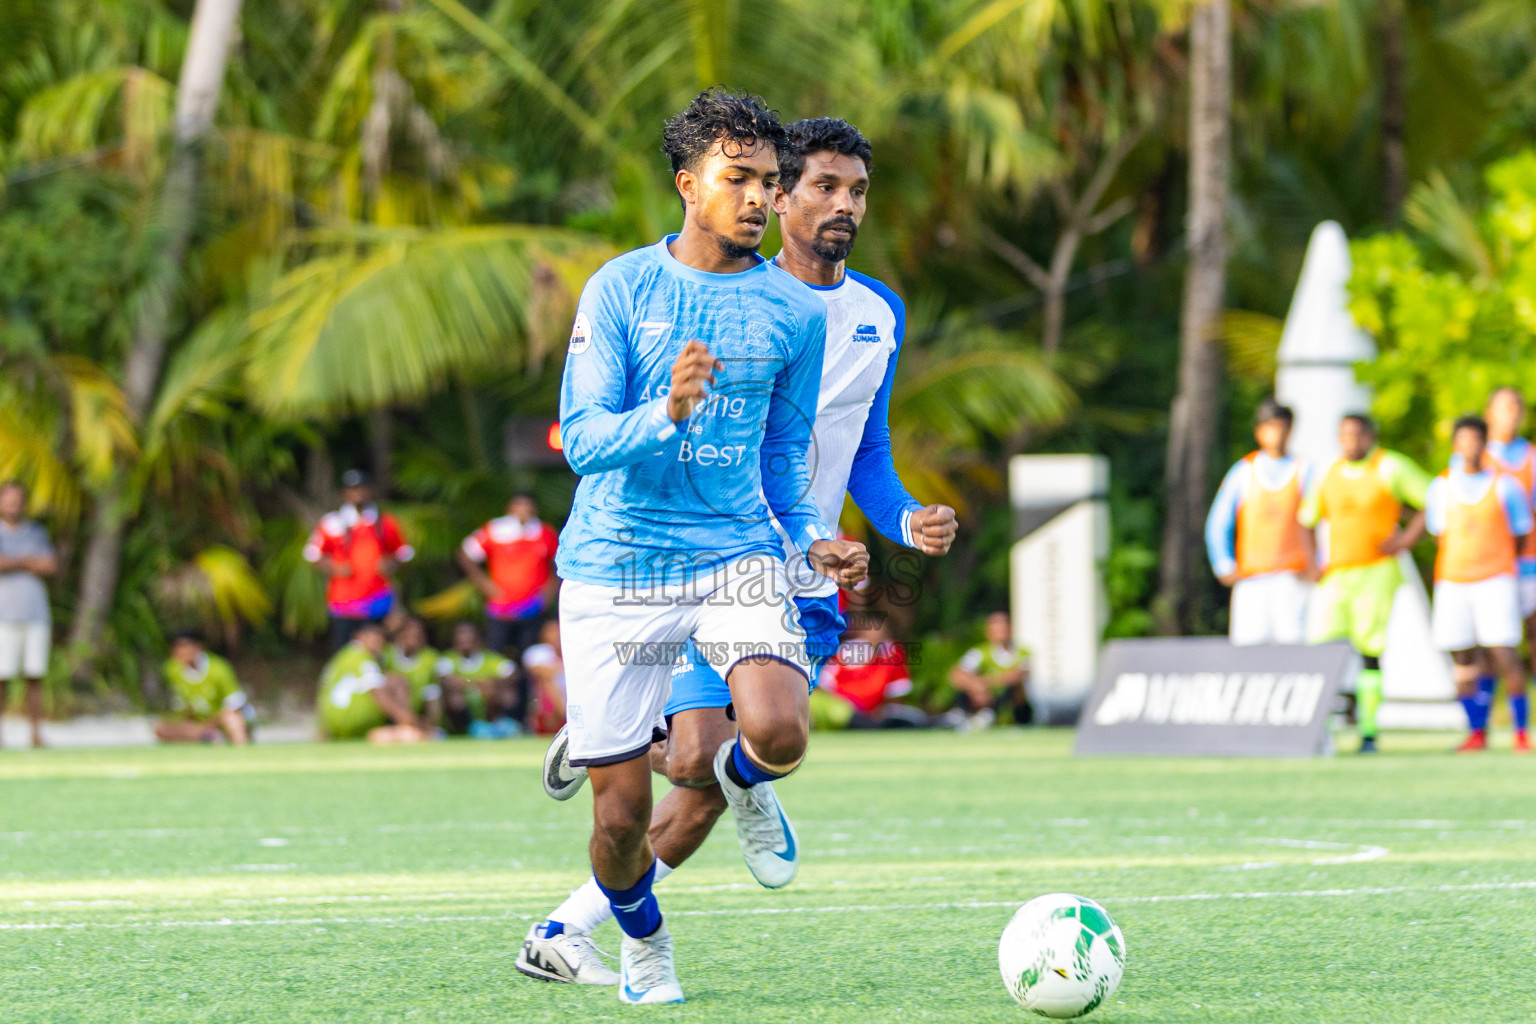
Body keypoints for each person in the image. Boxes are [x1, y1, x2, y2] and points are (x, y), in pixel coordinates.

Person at [518, 113, 952, 993]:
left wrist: (829, 537)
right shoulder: (621, 287)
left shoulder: (832, 315)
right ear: (692, 184)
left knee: (767, 737)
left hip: (744, 555)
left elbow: (802, 458)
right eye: (751, 182)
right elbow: (585, 439)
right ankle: (622, 903)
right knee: (662, 783)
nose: (765, 196)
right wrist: (666, 415)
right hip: (621, 564)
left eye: (856, 189)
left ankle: (673, 793)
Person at [1301, 414, 1432, 754]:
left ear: (1370, 436)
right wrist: (1312, 562)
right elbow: (1306, 519)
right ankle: (1320, 727)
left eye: (1358, 434)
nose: (1351, 441)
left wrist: (1405, 541)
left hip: (1376, 572)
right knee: (1322, 647)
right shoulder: (1327, 473)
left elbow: (1433, 498)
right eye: (1345, 435)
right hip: (1336, 573)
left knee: (1369, 650)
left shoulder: (1389, 467)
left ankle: (1369, 730)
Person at [1427, 415, 1533, 753]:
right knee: (1463, 657)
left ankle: (1520, 733)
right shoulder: (1441, 487)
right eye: (1464, 440)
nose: (1470, 447)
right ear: (1455, 446)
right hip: (1454, 581)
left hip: (1496, 580)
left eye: (1476, 440)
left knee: (1503, 652)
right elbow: (1438, 534)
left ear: (1485, 445)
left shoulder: (1505, 486)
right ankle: (1476, 731)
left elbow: (1520, 534)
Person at [1205, 399, 1316, 645]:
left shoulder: (1304, 470)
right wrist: (1223, 564)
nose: (1276, 433)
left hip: (1292, 577)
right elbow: (1219, 521)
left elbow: (1321, 521)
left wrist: (1316, 564)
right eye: (1270, 426)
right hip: (1251, 578)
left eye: (1282, 426)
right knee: (1248, 648)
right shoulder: (1244, 471)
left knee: (1293, 646)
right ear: (1259, 431)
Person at [303, 470, 414, 654]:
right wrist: (335, 568)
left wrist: (391, 564)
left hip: (378, 602)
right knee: (343, 652)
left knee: (378, 650)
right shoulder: (332, 522)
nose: (358, 493)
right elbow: (312, 554)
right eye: (353, 489)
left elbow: (404, 554)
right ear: (344, 493)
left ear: (370, 490)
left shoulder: (383, 522)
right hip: (345, 602)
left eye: (361, 488)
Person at [458, 495, 559, 668]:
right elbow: (466, 555)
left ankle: (527, 696)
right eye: (520, 505)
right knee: (496, 658)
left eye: (528, 506)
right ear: (510, 508)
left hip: (532, 609)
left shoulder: (544, 533)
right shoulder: (495, 530)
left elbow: (560, 563)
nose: (524, 510)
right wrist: (484, 584)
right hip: (500, 608)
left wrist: (550, 591)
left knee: (530, 659)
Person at [0, 481, 55, 748]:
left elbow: (49, 565)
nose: (14, 505)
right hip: (4, 614)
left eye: (18, 500)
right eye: (8, 500)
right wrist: (28, 561)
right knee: (2, 676)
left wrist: (14, 561)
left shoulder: (36, 532)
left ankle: (36, 735)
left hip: (35, 613)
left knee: (35, 675)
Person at [315, 622, 426, 743]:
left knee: (390, 679)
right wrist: (406, 718)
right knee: (397, 681)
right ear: (359, 637)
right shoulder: (361, 658)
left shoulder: (344, 656)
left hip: (332, 720)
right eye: (374, 640)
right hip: (347, 718)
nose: (378, 645)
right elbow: (377, 691)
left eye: (380, 641)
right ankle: (405, 729)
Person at [816, 620, 924, 729]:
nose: (874, 635)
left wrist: (880, 712)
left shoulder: (893, 654)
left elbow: (896, 695)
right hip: (844, 709)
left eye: (879, 632)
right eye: (870, 632)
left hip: (876, 714)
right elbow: (822, 686)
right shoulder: (847, 652)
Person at [154, 631, 252, 745]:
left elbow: (236, 703)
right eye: (176, 647)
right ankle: (210, 738)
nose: (180, 651)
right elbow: (183, 706)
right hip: (200, 724)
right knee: (161, 728)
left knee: (232, 719)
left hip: (221, 720)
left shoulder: (218, 667)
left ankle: (240, 748)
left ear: (198, 647)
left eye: (184, 646)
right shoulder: (172, 668)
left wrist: (211, 723)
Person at [947, 610, 1030, 730]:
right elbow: (956, 674)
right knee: (969, 685)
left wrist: (986, 684)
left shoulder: (1023, 652)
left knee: (1016, 689)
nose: (1001, 631)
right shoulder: (980, 653)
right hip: (987, 697)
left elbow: (1017, 675)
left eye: (1004, 627)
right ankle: (974, 716)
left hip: (1010, 701)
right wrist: (976, 686)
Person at [435, 621, 519, 738]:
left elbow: (512, 673)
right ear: (454, 639)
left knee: (508, 693)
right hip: (465, 702)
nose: (465, 638)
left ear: (477, 639)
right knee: (454, 697)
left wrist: (492, 684)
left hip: (489, 701)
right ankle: (462, 730)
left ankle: (499, 724)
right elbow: (446, 679)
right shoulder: (447, 659)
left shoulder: (490, 658)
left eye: (469, 634)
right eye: (461, 634)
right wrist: (479, 685)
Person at [386, 617, 442, 732]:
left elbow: (432, 693)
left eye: (418, 634)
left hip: (417, 713)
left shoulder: (429, 657)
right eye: (409, 632)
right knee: (398, 681)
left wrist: (432, 724)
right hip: (388, 714)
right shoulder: (386, 655)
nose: (414, 636)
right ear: (400, 634)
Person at [522, 618, 567, 736]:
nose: (556, 634)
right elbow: (538, 671)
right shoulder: (536, 652)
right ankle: (565, 718)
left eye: (558, 630)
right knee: (546, 681)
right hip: (549, 707)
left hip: (570, 696)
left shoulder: (572, 651)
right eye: (551, 631)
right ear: (543, 634)